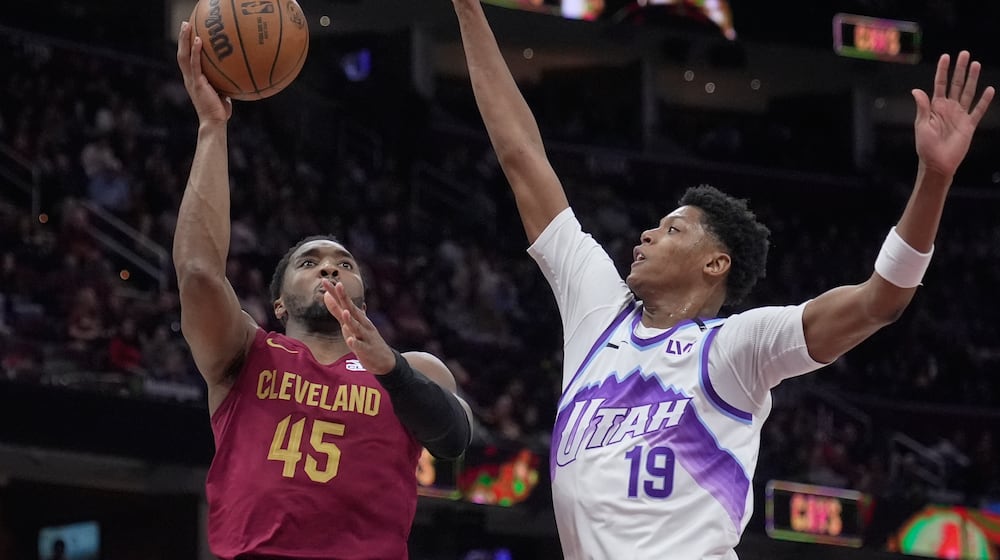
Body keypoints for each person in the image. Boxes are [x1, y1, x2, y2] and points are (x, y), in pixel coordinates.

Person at [450, 1, 994, 558]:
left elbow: (880, 301)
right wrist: (469, 9)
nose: (646, 235)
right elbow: (521, 154)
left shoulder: (735, 348)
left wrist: (933, 177)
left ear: (715, 263)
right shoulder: (598, 310)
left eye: (672, 230)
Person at [173, 22, 473, 560]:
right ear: (280, 301)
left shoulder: (416, 370)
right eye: (310, 262)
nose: (329, 270)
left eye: (344, 263)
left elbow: (454, 441)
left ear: (362, 295)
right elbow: (197, 272)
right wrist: (212, 128)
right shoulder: (246, 353)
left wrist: (391, 369)